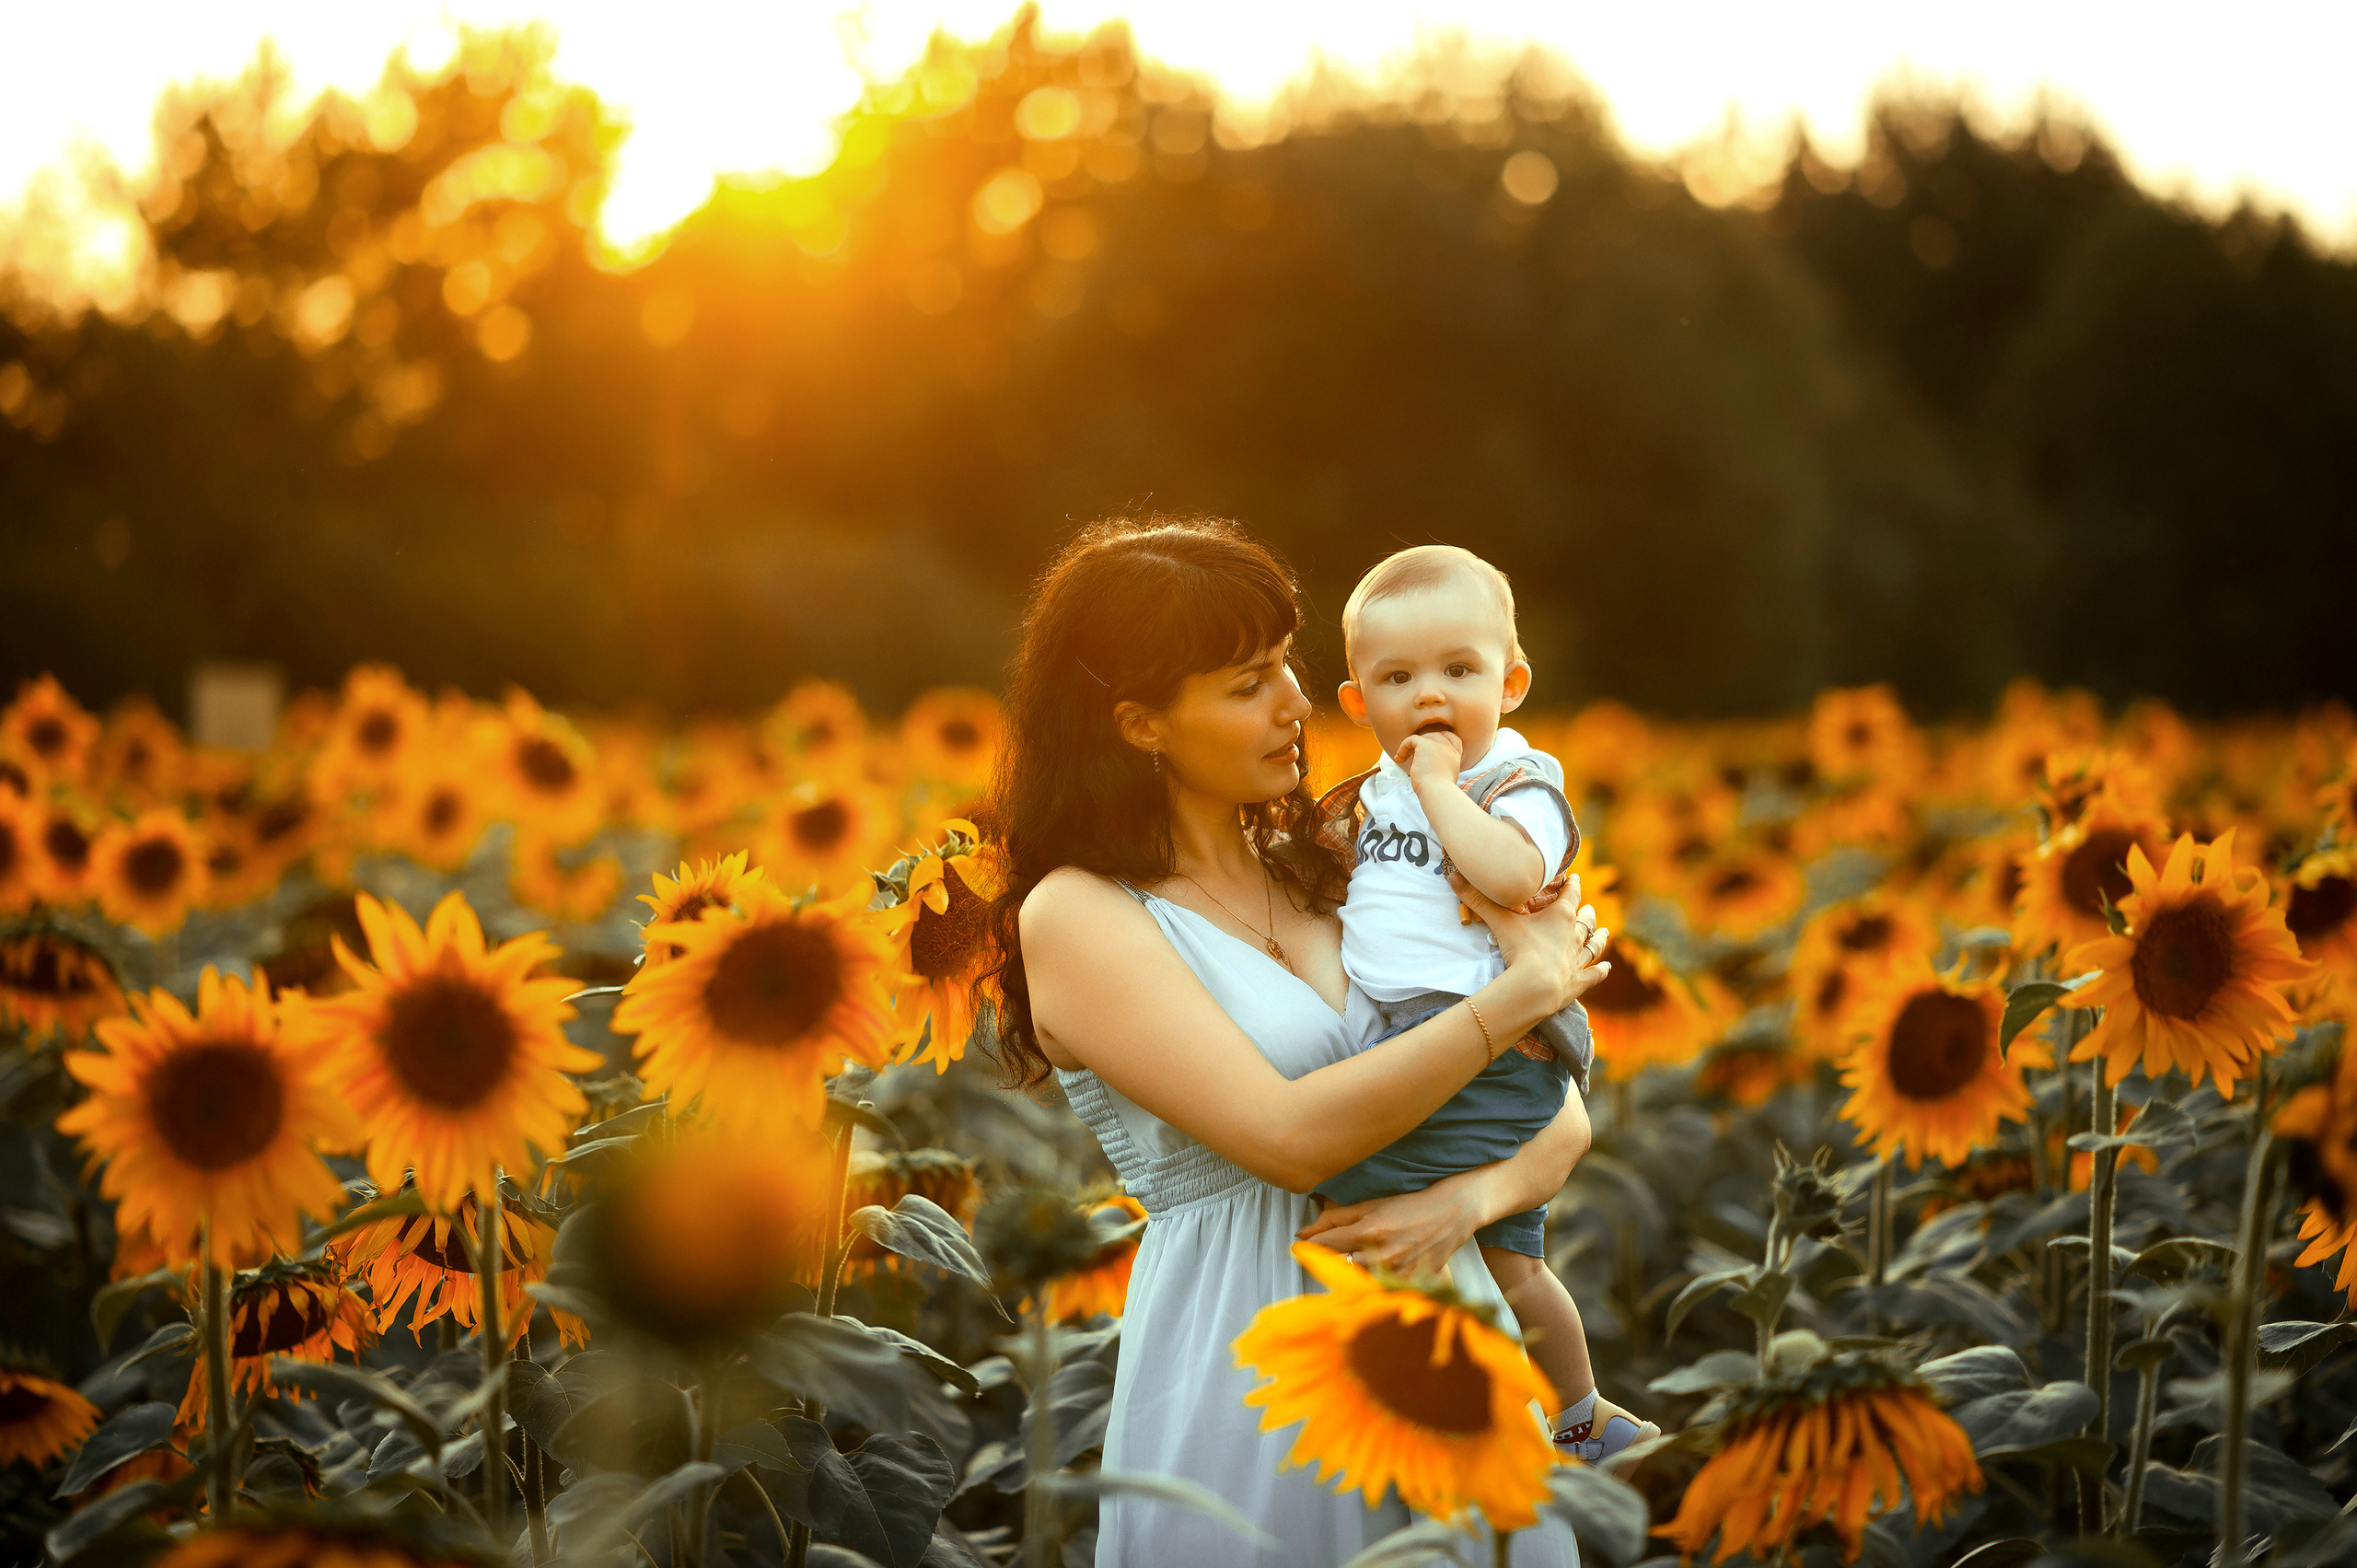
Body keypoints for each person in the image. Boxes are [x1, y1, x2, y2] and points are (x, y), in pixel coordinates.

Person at [983, 517, 1611, 1566]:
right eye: (1245, 684)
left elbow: (1561, 1106)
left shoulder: (1332, 855)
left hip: (1440, 1321)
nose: (1295, 705)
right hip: (1245, 1349)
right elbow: (1288, 1138)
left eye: (1285, 665)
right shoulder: (1081, 914)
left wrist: (1466, 1201)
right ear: (1139, 722)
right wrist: (1525, 991)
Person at [1309, 543, 1657, 1461]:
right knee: (1504, 1257)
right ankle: (1574, 1413)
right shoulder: (1365, 800)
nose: (1429, 695)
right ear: (1358, 703)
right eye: (1397, 676)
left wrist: (1434, 784)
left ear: (1509, 683)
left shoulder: (1513, 779)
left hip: (1494, 1054)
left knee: (1399, 1229)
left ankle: (1569, 1412)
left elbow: (1513, 871)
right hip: (1418, 1043)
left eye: (1457, 669)